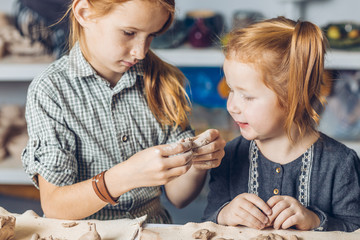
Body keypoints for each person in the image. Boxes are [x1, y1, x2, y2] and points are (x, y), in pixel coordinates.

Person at [22, 0, 226, 223]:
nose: (140, 52)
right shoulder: (51, 90)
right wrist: (126, 176)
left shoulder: (165, 82)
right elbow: (55, 207)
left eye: (151, 36)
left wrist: (196, 162)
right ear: (84, 13)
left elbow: (179, 198)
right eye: (129, 32)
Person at [203, 16, 360, 232]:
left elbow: (354, 227)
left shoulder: (341, 163)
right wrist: (225, 213)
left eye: (247, 97)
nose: (231, 106)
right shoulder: (229, 156)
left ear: (293, 97)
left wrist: (315, 220)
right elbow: (207, 221)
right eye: (231, 90)